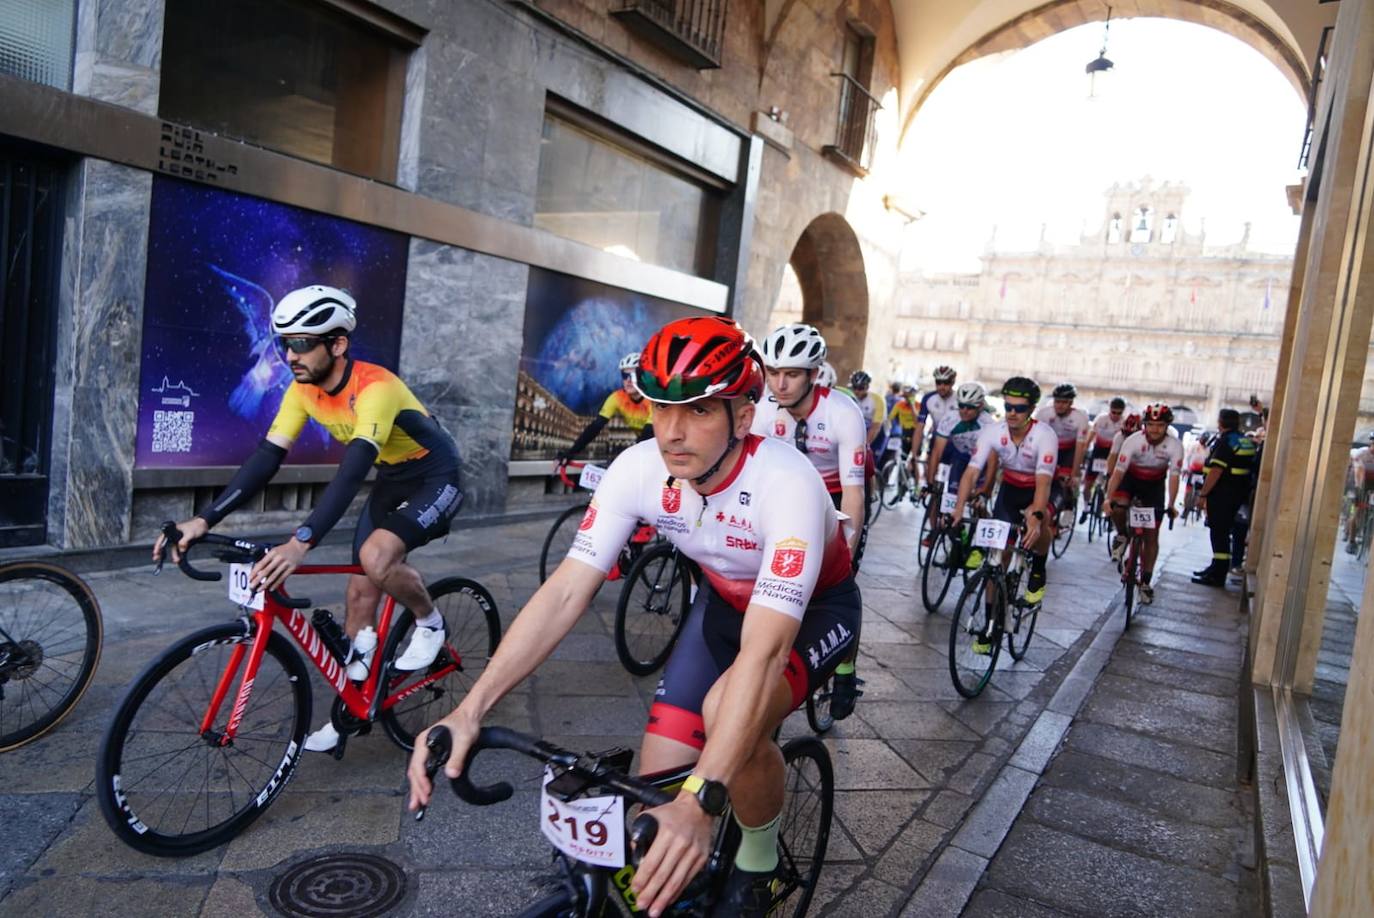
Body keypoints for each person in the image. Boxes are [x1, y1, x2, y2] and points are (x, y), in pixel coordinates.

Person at [405, 317, 860, 917]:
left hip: (812, 613)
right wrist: (471, 708)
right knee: (653, 794)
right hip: (724, 605)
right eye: (659, 407)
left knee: (731, 719)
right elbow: (567, 590)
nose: (672, 431)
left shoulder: (787, 482)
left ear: (742, 418)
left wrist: (704, 795)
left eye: (698, 410)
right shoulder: (641, 468)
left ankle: (759, 862)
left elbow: (765, 652)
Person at [153, 285, 463, 752]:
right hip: (394, 477)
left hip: (437, 474)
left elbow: (352, 470)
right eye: (284, 343)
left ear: (337, 345)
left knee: (376, 557)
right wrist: (204, 520)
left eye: (301, 343)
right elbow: (266, 457)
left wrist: (301, 542)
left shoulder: (375, 388)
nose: (288, 355)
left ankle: (430, 622)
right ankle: (355, 706)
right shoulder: (303, 391)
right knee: (359, 590)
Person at [752, 323, 867, 719]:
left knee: (838, 586)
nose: (780, 384)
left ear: (814, 375)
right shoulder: (764, 410)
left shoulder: (843, 413)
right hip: (786, 498)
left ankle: (846, 669)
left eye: (793, 374)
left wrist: (845, 549)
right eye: (773, 372)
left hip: (835, 499)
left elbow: (854, 491)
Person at [951, 377, 1058, 609]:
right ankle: (990, 621)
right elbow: (971, 473)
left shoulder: (1044, 435)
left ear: (1031, 409)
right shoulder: (993, 432)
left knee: (1040, 523)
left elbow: (1043, 483)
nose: (1012, 413)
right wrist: (958, 509)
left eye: (1019, 409)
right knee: (997, 558)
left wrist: (1036, 518)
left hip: (1039, 488)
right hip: (1010, 491)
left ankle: (1038, 567)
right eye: (1008, 407)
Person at [1107, 403, 1182, 603]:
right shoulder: (1132, 441)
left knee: (1151, 536)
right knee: (1119, 505)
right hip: (1130, 479)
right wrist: (1108, 498)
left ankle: (1146, 581)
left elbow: (1174, 477)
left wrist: (1172, 503)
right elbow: (1118, 472)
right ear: (1144, 425)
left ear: (1167, 426)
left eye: (1160, 425)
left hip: (1154, 486)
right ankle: (1122, 535)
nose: (1154, 430)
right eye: (1150, 424)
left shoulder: (1174, 445)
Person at [1192, 409, 1259, 586]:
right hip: (1238, 492)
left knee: (1219, 533)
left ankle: (1218, 574)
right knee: (1224, 532)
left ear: (1220, 422)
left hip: (1223, 493)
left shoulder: (1225, 441)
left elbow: (1216, 470)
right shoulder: (1244, 440)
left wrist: (1203, 494)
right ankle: (1215, 567)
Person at [924, 382, 994, 548]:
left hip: (981, 464)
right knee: (952, 498)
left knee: (978, 502)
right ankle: (957, 534)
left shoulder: (988, 424)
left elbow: (993, 462)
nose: (964, 411)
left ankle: (983, 539)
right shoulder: (950, 418)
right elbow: (937, 452)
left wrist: (986, 490)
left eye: (970, 407)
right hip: (961, 459)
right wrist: (930, 481)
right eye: (961, 406)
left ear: (980, 407)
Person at [556, 352, 654, 464]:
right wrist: (570, 453)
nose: (628, 381)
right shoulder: (617, 397)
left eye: (632, 376)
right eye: (624, 376)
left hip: (658, 446)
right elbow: (595, 427)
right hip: (642, 447)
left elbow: (648, 433)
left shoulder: (652, 399)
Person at [1034, 382, 1089, 523]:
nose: (1060, 405)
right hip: (1049, 448)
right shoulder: (1043, 414)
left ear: (1071, 403)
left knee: (1065, 480)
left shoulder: (1080, 418)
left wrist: (1075, 472)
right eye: (1057, 401)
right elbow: (1033, 439)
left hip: (1069, 451)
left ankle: (1069, 505)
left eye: (1064, 402)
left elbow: (1080, 446)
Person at [1082, 397, 1126, 521]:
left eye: (1119, 413)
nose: (1116, 415)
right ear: (1109, 410)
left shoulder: (1125, 422)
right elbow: (1091, 434)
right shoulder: (1101, 419)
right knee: (1088, 483)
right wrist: (1085, 449)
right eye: (1113, 412)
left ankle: (1108, 505)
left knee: (1111, 482)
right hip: (1099, 450)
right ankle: (1086, 508)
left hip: (1114, 452)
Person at [911, 366, 959, 478]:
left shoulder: (959, 399)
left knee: (952, 482)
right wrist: (913, 454)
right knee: (930, 478)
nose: (942, 386)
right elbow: (920, 428)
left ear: (952, 383)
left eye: (946, 383)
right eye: (938, 382)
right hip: (936, 441)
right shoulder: (929, 398)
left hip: (955, 444)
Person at [1345, 432, 1374, 552]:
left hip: (1371, 485)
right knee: (1357, 512)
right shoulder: (1362, 452)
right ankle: (1351, 542)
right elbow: (1351, 453)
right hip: (1358, 485)